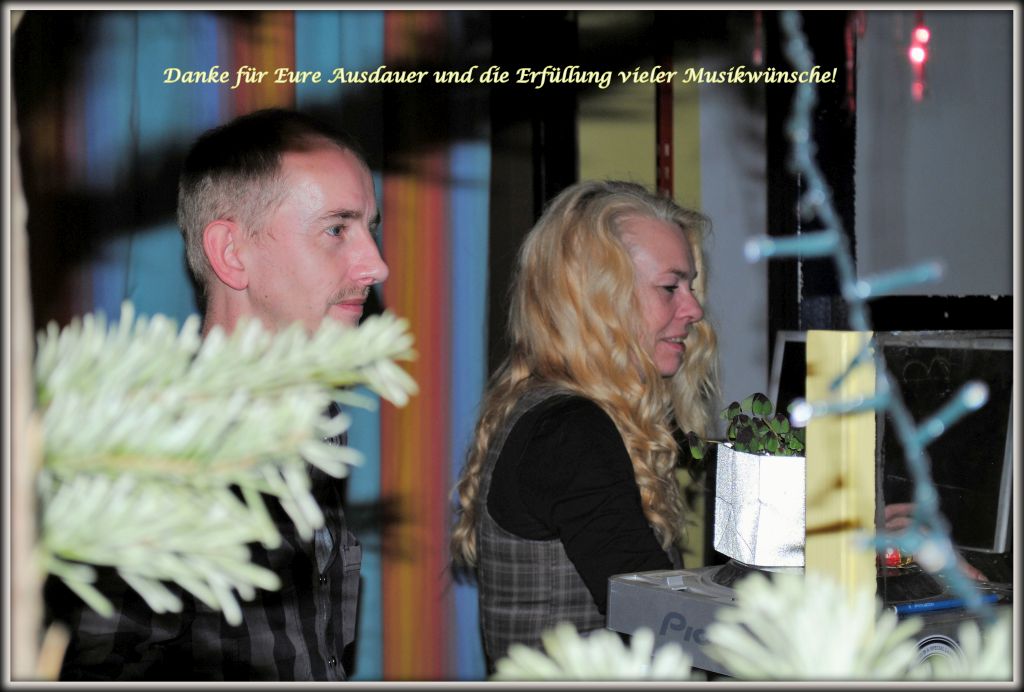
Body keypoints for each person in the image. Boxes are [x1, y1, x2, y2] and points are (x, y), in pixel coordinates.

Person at [47, 108, 388, 680]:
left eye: (369, 229)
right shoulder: (153, 454)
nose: (376, 265)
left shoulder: (319, 415)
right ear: (231, 253)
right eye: (336, 229)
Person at [449, 180, 719, 670]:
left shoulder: (550, 411)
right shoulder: (571, 432)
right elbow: (662, 621)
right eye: (670, 287)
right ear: (598, 299)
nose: (693, 309)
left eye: (691, 286)